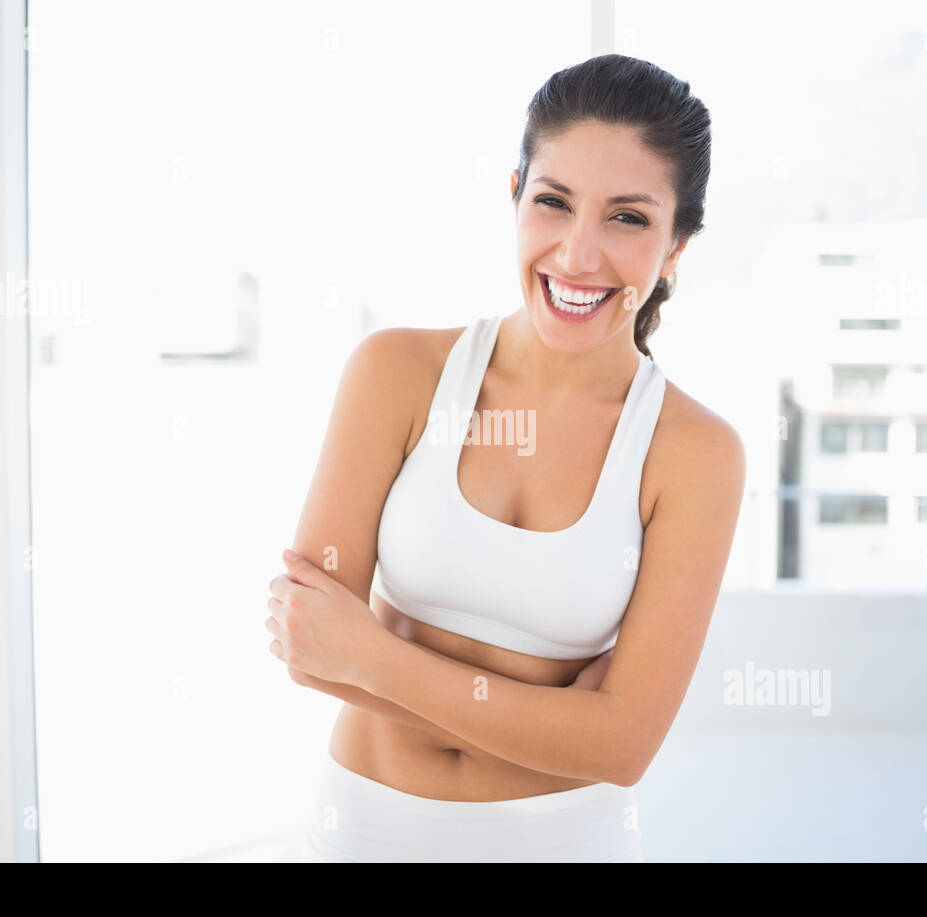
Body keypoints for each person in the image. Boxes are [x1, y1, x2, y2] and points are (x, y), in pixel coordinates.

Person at [267, 53, 744, 862]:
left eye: (627, 218)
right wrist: (563, 723)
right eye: (553, 202)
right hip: (362, 825)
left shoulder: (694, 452)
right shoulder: (397, 374)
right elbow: (307, 644)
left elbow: (625, 747)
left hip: (562, 842)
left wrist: (372, 653)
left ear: (676, 246)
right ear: (515, 195)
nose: (578, 254)